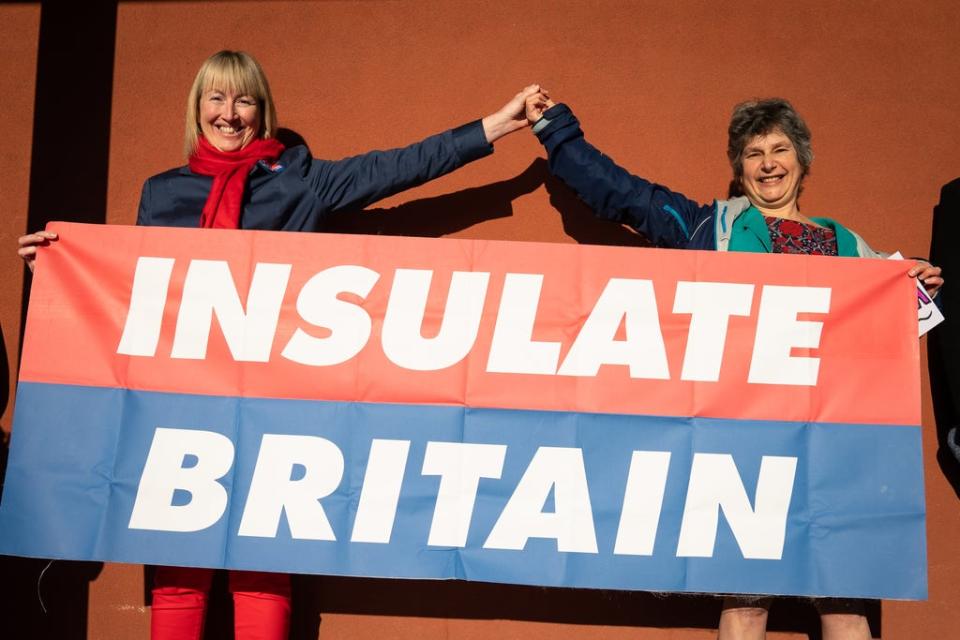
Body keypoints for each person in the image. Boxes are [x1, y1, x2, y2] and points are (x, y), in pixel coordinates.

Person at [18, 49, 542, 640]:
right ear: (197, 108)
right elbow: (135, 292)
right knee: (177, 573)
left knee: (261, 570)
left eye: (244, 99)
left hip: (277, 413)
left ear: (262, 112)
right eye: (216, 97)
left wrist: (499, 124)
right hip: (181, 408)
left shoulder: (301, 182)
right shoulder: (161, 194)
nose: (230, 113)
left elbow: (401, 166)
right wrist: (61, 272)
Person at [523, 93, 942, 640]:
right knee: (746, 603)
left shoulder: (846, 245)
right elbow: (623, 195)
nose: (768, 163)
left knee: (845, 607)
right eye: (753, 153)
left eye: (780, 149)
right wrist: (557, 130)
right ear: (738, 168)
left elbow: (876, 330)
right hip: (748, 445)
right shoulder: (709, 230)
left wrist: (912, 287)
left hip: (833, 450)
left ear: (802, 160)